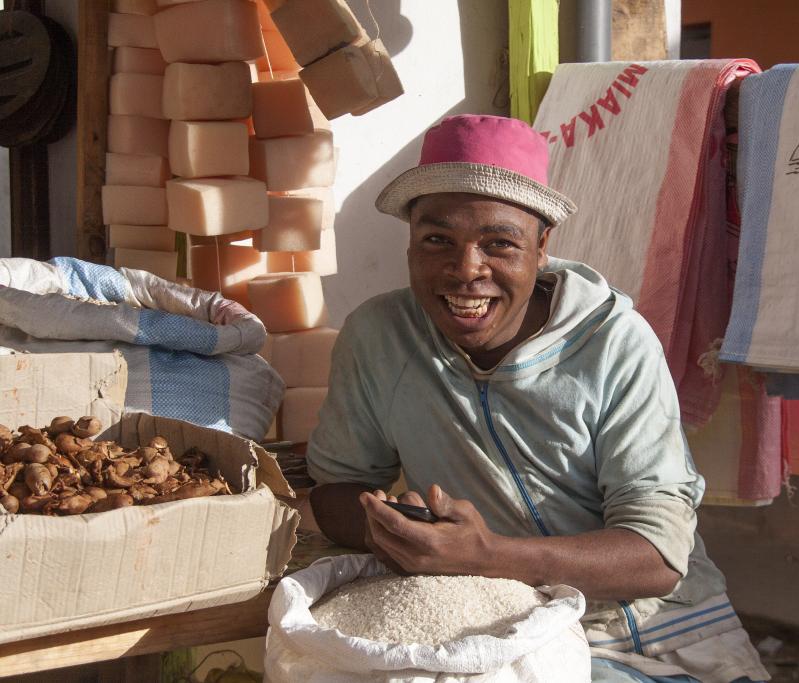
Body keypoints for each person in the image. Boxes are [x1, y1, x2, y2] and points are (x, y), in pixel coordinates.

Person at [306, 114, 769, 683]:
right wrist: (397, 527)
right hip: (490, 623)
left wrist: (486, 556)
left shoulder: (613, 344)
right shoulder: (379, 335)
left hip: (648, 633)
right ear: (410, 243)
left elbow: (656, 556)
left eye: (499, 243)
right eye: (437, 240)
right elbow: (335, 490)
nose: (465, 271)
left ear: (542, 246)